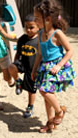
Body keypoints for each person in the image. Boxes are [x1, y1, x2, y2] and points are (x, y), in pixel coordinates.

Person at [31, 0, 76, 133]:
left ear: (48, 19)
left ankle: (59, 111)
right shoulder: (40, 34)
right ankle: (50, 123)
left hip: (56, 66)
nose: (35, 20)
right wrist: (34, 69)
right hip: (45, 67)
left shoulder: (57, 34)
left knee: (44, 91)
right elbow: (39, 53)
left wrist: (58, 65)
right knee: (47, 97)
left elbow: (70, 51)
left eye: (37, 18)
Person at [8, 14, 39, 118]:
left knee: (31, 90)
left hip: (33, 68)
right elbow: (18, 53)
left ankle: (30, 107)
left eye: (31, 27)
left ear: (38, 27)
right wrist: (15, 62)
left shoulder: (40, 41)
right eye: (26, 27)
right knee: (11, 67)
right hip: (22, 64)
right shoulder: (22, 39)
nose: (28, 30)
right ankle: (18, 82)